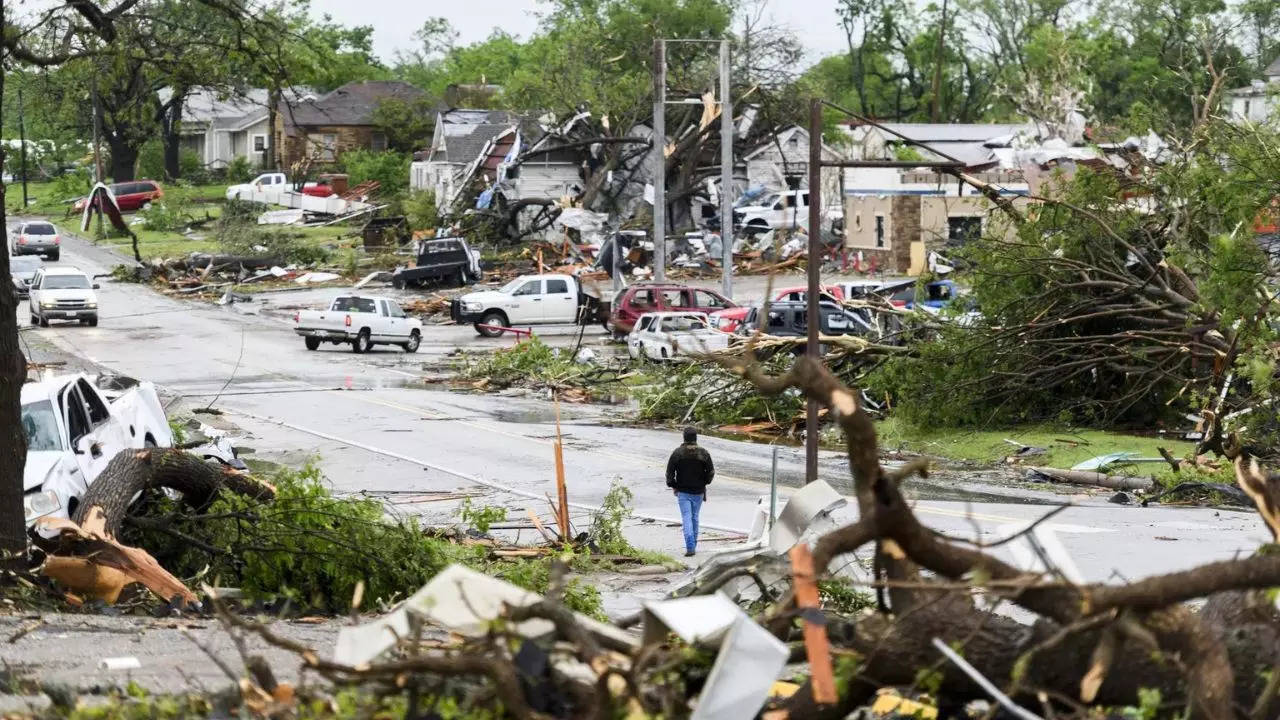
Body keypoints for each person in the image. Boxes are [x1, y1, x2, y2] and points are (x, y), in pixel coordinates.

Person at [666, 426, 714, 557]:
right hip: (698, 491)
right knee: (695, 517)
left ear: (684, 437)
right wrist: (704, 482)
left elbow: (669, 473)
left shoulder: (677, 453)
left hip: (683, 491)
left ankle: (690, 546)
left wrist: (673, 485)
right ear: (696, 437)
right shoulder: (703, 453)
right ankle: (694, 545)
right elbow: (711, 472)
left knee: (686, 517)